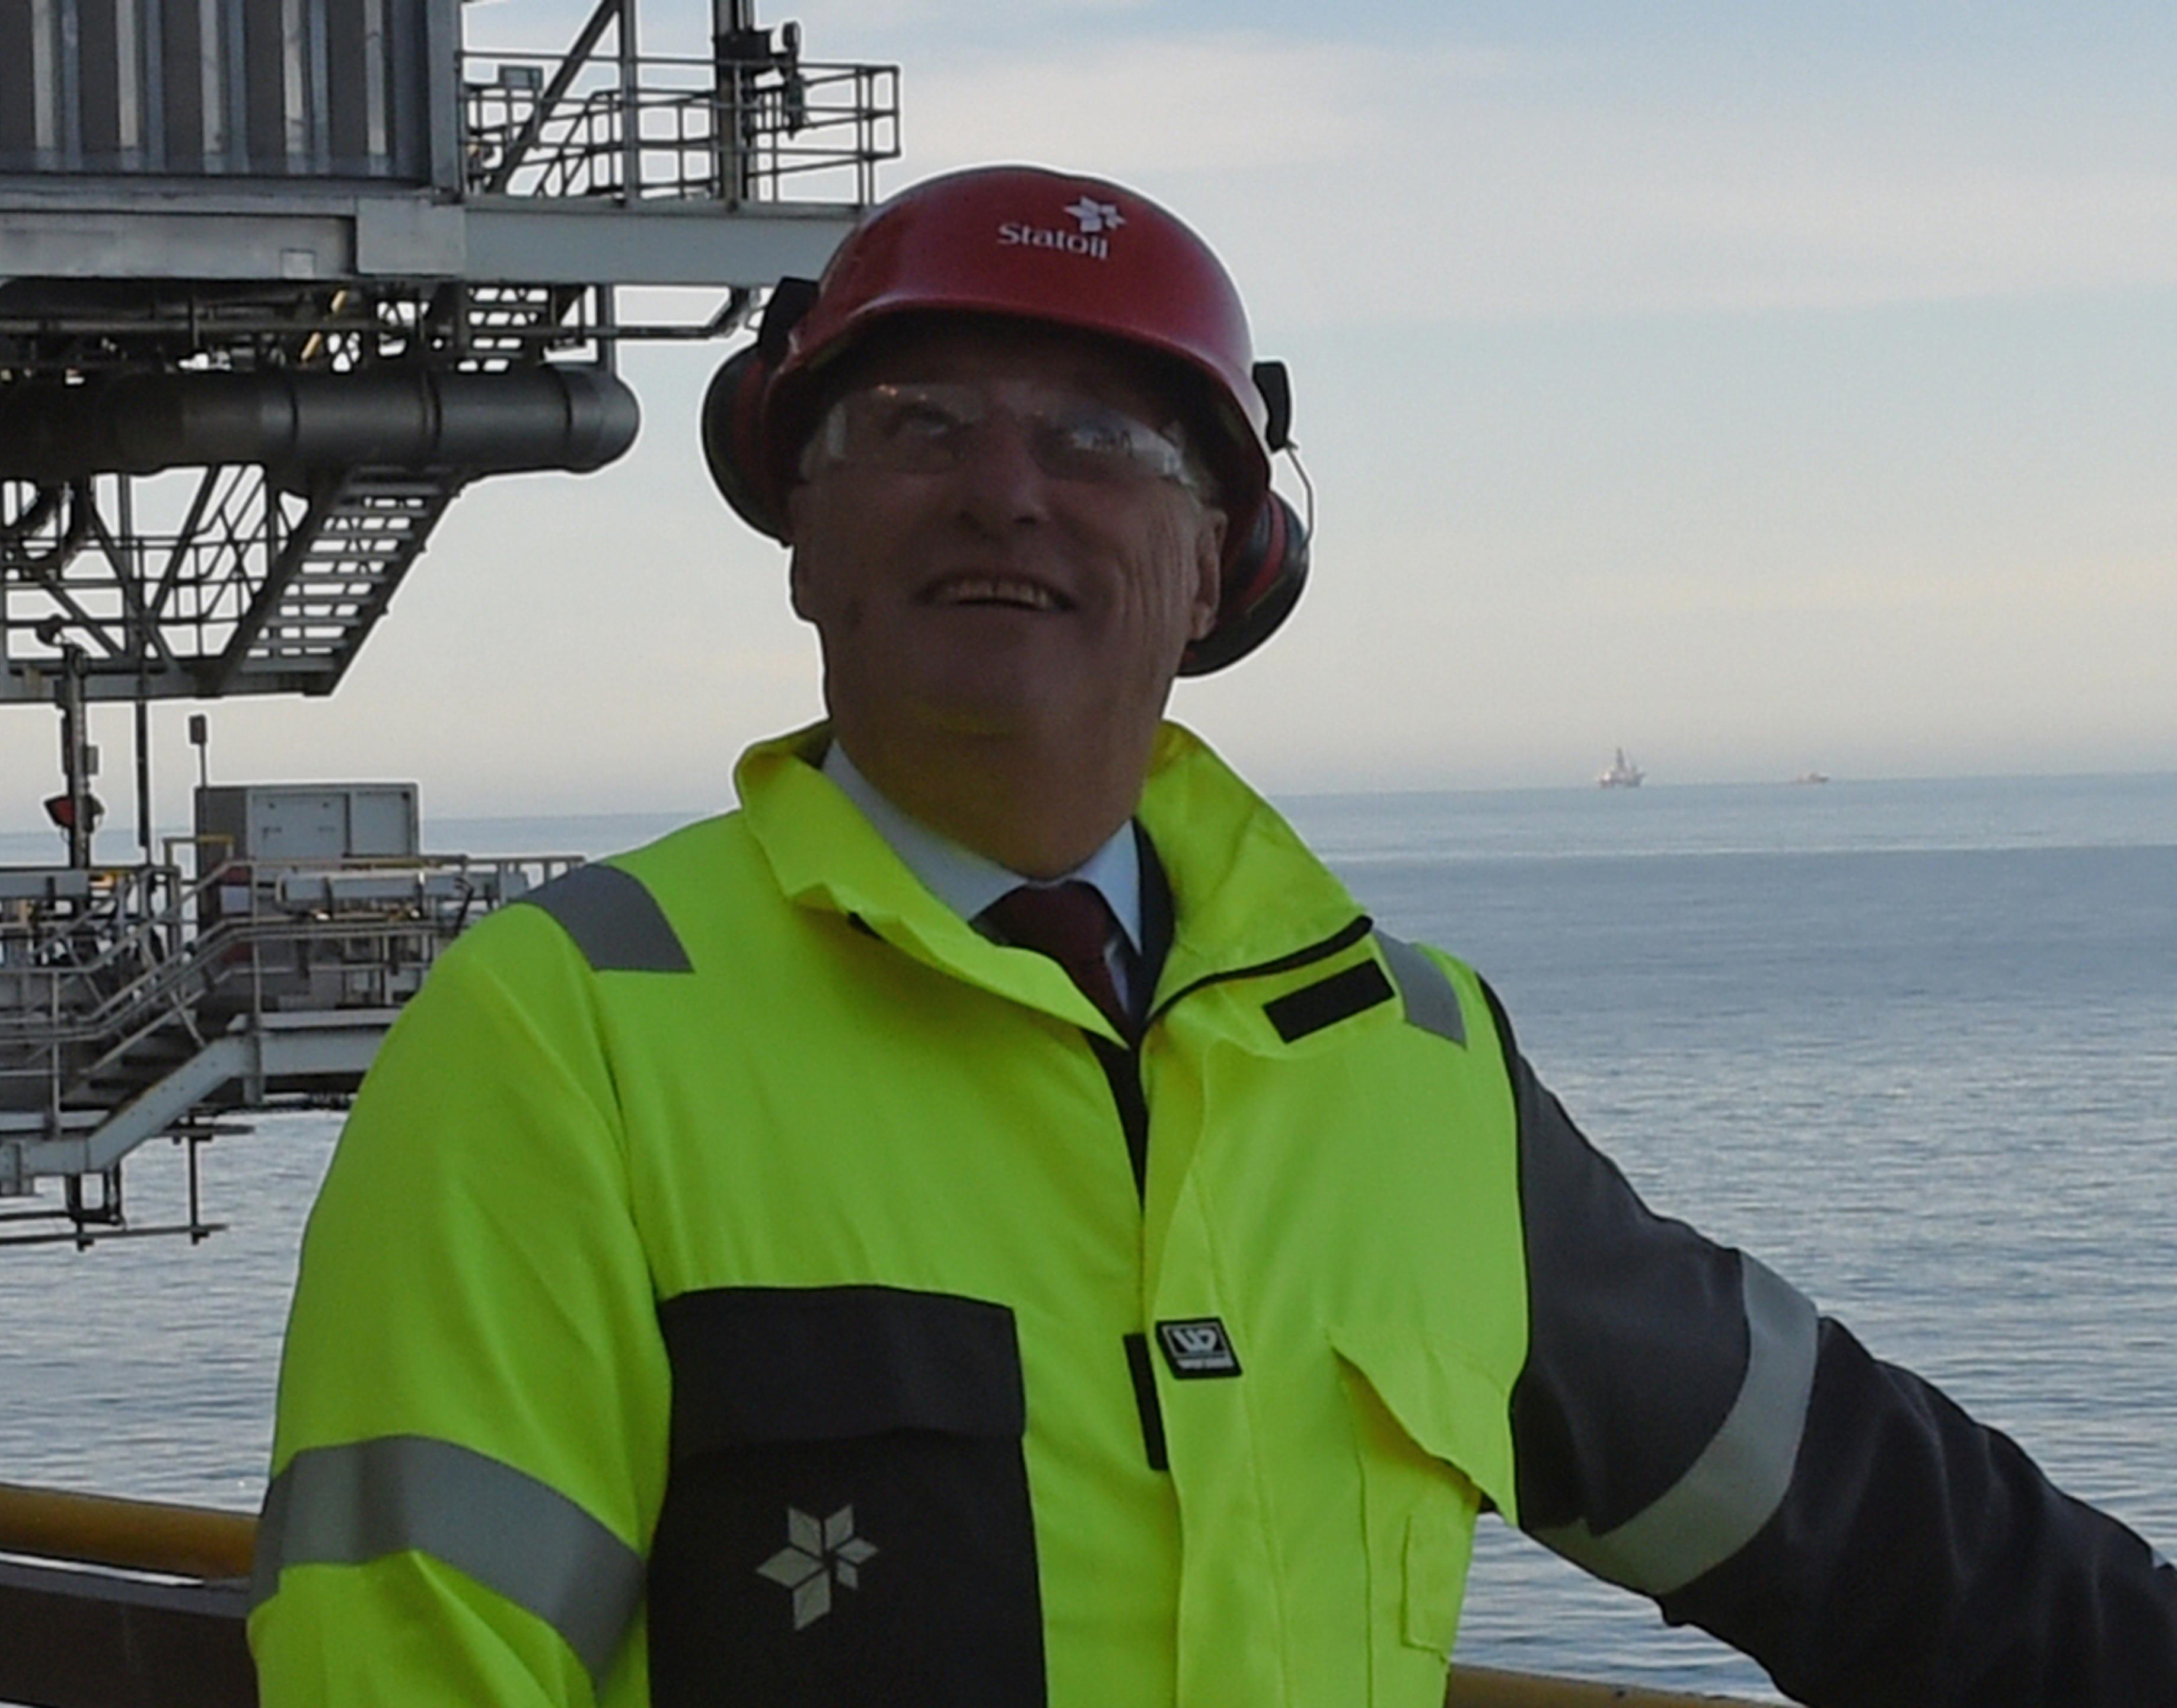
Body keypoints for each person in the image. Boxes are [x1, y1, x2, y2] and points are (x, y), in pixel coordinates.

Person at [246, 165, 2177, 1708]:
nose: (1006, 490)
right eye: (917, 423)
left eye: (1104, 440)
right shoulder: (567, 1035)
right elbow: (407, 1664)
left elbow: (1857, 1519)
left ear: (1221, 571)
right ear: (801, 537)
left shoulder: (1406, 1062)